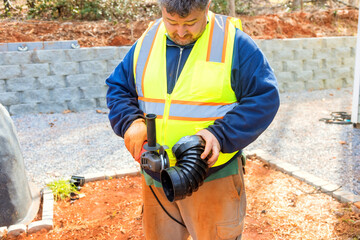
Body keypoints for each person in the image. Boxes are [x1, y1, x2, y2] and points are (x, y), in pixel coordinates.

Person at [106, 0, 280, 239]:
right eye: (172, 22)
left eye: (190, 22)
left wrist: (220, 134)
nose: (180, 31)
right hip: (158, 179)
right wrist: (130, 122)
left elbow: (265, 97)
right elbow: (118, 87)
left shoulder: (234, 43)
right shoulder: (148, 40)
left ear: (207, 6)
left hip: (212, 179)